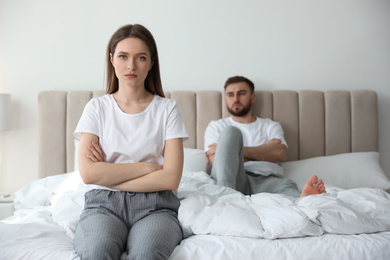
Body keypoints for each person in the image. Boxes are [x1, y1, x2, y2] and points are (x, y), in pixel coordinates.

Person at [73, 24, 188, 260]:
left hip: (156, 206)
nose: (131, 66)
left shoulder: (167, 109)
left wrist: (110, 176)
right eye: (123, 56)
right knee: (95, 252)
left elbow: (171, 178)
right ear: (112, 59)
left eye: (141, 58)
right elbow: (88, 174)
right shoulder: (96, 108)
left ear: (152, 62)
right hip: (102, 205)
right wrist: (147, 167)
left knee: (146, 254)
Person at [204, 76, 326, 197]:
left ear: (253, 98)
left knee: (287, 188)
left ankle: (301, 199)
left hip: (268, 181)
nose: (236, 99)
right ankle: (227, 197)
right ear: (225, 99)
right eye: (230, 95)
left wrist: (233, 150)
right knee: (231, 132)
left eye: (242, 93)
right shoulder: (216, 126)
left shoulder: (270, 125)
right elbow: (218, 162)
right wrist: (265, 152)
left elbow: (280, 154)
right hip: (233, 179)